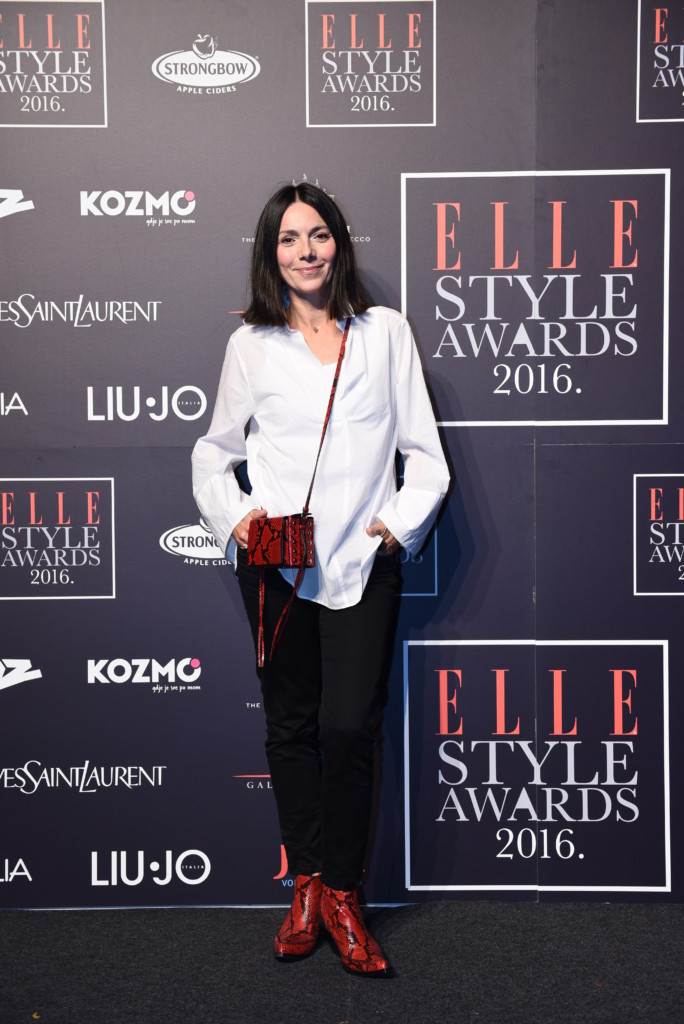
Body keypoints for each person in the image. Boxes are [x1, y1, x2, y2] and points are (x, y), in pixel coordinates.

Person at [191, 181, 450, 977]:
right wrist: (237, 519)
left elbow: (425, 454)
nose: (306, 252)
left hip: (362, 564)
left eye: (318, 235)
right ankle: (306, 885)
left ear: (340, 242)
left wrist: (396, 524)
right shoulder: (251, 346)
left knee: (348, 728)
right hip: (277, 566)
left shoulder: (386, 334)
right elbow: (213, 452)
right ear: (270, 255)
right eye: (289, 239)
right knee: (290, 726)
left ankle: (343, 891)